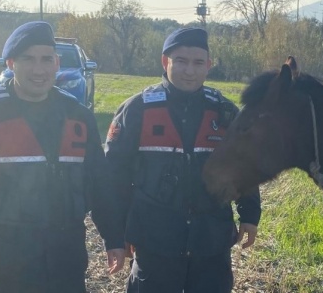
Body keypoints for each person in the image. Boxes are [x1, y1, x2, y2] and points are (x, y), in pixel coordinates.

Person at [0, 21, 125, 293]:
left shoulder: (77, 115)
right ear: (11, 63)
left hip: (67, 254)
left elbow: (99, 184)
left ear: (57, 62)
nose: (39, 70)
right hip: (6, 255)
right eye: (28, 59)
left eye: (46, 59)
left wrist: (114, 238)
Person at [105, 27, 261, 293]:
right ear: (165, 62)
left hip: (211, 238)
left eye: (198, 62)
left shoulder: (224, 112)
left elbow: (243, 166)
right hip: (155, 239)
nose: (190, 70)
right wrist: (115, 234)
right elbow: (113, 175)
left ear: (209, 66)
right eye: (181, 61)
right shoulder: (137, 109)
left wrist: (250, 213)